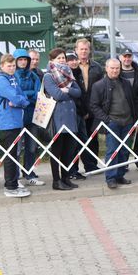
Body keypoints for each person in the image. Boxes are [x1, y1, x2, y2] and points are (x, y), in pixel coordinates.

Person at [89, 58, 138, 189]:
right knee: (112, 151)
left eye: (117, 68)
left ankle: (120, 175)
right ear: (106, 68)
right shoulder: (98, 85)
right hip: (112, 123)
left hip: (128, 122)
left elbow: (133, 102)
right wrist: (107, 120)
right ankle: (110, 178)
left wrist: (136, 120)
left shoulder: (126, 83)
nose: (115, 70)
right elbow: (94, 106)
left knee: (124, 151)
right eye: (112, 68)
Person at [43, 49, 82, 191]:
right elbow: (58, 95)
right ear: (52, 60)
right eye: (58, 58)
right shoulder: (48, 76)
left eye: (63, 57)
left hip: (70, 118)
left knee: (69, 150)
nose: (61, 60)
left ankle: (66, 178)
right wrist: (66, 92)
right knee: (57, 150)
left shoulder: (69, 73)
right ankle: (56, 180)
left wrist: (68, 91)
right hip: (58, 118)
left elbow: (78, 92)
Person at [0, 54, 31, 197]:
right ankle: (10, 187)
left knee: (15, 154)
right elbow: (14, 96)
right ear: (2, 66)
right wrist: (19, 101)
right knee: (10, 155)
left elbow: (22, 97)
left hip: (17, 121)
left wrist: (20, 101)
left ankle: (15, 183)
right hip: (8, 122)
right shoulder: (1, 80)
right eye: (9, 66)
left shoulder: (13, 78)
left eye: (13, 66)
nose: (12, 68)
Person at [12, 49, 44, 186]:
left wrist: (26, 95)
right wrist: (28, 96)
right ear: (15, 61)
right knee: (17, 149)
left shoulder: (34, 76)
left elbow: (38, 94)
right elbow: (16, 95)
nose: (23, 62)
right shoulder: (12, 76)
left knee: (32, 147)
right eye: (20, 59)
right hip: (17, 116)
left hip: (33, 116)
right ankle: (15, 176)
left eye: (25, 59)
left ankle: (29, 173)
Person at [75, 38, 103, 173]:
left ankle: (92, 166)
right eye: (81, 49)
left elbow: (100, 89)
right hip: (78, 110)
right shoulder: (72, 66)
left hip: (93, 109)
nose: (84, 51)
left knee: (93, 138)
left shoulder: (96, 67)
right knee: (78, 140)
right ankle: (74, 169)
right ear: (76, 50)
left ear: (89, 50)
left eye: (86, 49)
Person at [119, 51, 138, 170]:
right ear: (120, 58)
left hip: (137, 107)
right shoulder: (117, 71)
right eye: (125, 56)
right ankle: (123, 163)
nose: (127, 59)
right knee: (124, 137)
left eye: (129, 57)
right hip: (122, 108)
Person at [65, 51, 88, 181]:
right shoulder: (65, 76)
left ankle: (76, 170)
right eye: (70, 60)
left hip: (80, 114)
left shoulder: (78, 73)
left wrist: (84, 111)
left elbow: (82, 95)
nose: (74, 62)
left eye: (75, 59)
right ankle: (71, 171)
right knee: (72, 145)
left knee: (81, 143)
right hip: (71, 115)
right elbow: (73, 95)